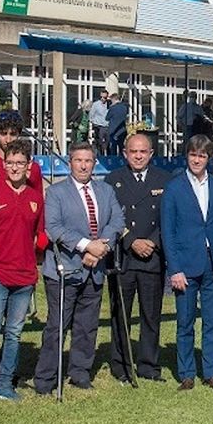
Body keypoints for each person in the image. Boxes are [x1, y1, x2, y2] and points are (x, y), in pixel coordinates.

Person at [34, 143, 123, 394]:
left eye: (88, 160)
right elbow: (54, 227)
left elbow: (117, 221)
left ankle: (80, 371)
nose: (83, 165)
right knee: (57, 326)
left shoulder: (105, 191)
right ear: (69, 163)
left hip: (95, 268)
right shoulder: (56, 192)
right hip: (66, 268)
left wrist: (100, 249)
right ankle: (46, 378)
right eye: (78, 160)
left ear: (95, 163)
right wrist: (86, 247)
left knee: (87, 324)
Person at [0, 139, 45, 404]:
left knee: (14, 333)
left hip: (24, 275)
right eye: (11, 163)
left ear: (28, 167)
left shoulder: (36, 197)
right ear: (4, 165)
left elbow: (39, 235)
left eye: (20, 163)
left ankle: (5, 383)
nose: (15, 168)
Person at [162, 134, 213, 390]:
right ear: (186, 156)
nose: (197, 160)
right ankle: (187, 373)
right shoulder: (175, 187)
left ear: (208, 158)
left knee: (212, 322)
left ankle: (211, 373)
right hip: (186, 265)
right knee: (185, 322)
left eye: (202, 155)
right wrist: (174, 268)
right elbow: (168, 231)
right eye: (193, 155)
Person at [105, 131, 171, 382]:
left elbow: (169, 219)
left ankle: (149, 366)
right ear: (125, 153)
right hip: (123, 257)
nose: (138, 156)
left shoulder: (164, 179)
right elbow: (110, 218)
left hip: (152, 258)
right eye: (133, 151)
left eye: (143, 151)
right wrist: (131, 240)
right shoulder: (112, 180)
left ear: (151, 154)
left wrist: (152, 242)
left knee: (151, 316)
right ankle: (121, 365)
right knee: (120, 314)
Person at [0, 109, 46, 194]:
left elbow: (38, 202)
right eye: (3, 134)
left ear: (19, 134)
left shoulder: (32, 168)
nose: (8, 139)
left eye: (13, 134)